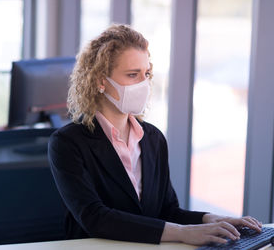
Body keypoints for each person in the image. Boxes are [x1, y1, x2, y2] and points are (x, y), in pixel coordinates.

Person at [48, 24, 262, 245]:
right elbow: (95, 218)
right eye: (133, 75)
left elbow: (167, 211)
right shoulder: (67, 143)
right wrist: (182, 233)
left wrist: (212, 219)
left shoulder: (152, 138)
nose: (143, 83)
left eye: (146, 74)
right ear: (101, 81)